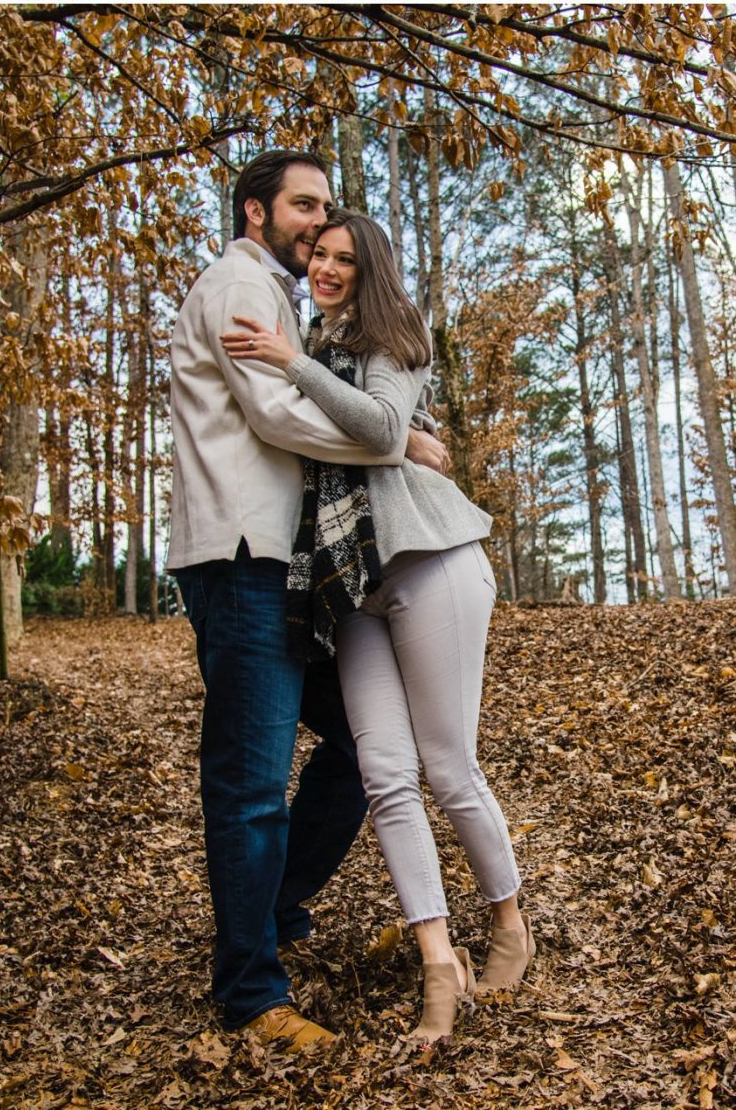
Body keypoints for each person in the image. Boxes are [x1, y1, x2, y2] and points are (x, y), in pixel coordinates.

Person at [223, 207, 534, 1045]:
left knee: (448, 764)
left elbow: (383, 425)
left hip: (431, 558)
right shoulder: (312, 354)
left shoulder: (390, 338)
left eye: (343, 260)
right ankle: (440, 961)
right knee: (385, 772)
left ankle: (509, 923)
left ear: (370, 272)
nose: (325, 269)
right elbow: (338, 436)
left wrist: (306, 371)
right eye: (318, 255)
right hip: (350, 587)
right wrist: (307, 371)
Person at [167, 149, 452, 1054]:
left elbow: (311, 397)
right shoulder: (239, 287)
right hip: (242, 557)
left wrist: (395, 423)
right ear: (255, 212)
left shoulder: (280, 299)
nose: (315, 221)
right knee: (250, 784)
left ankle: (272, 906)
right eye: (302, 204)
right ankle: (251, 991)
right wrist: (397, 442)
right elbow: (279, 418)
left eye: (325, 206)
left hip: (277, 563)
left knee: (365, 740)